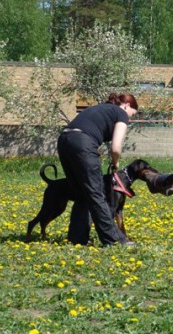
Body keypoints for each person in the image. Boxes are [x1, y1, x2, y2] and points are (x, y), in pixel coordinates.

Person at [57, 92, 138, 246]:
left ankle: (77, 239)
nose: (130, 118)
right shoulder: (121, 113)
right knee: (96, 193)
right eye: (132, 114)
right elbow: (115, 148)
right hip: (82, 142)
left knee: (82, 194)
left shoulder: (100, 109)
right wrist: (116, 163)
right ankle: (114, 240)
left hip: (64, 140)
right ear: (127, 105)